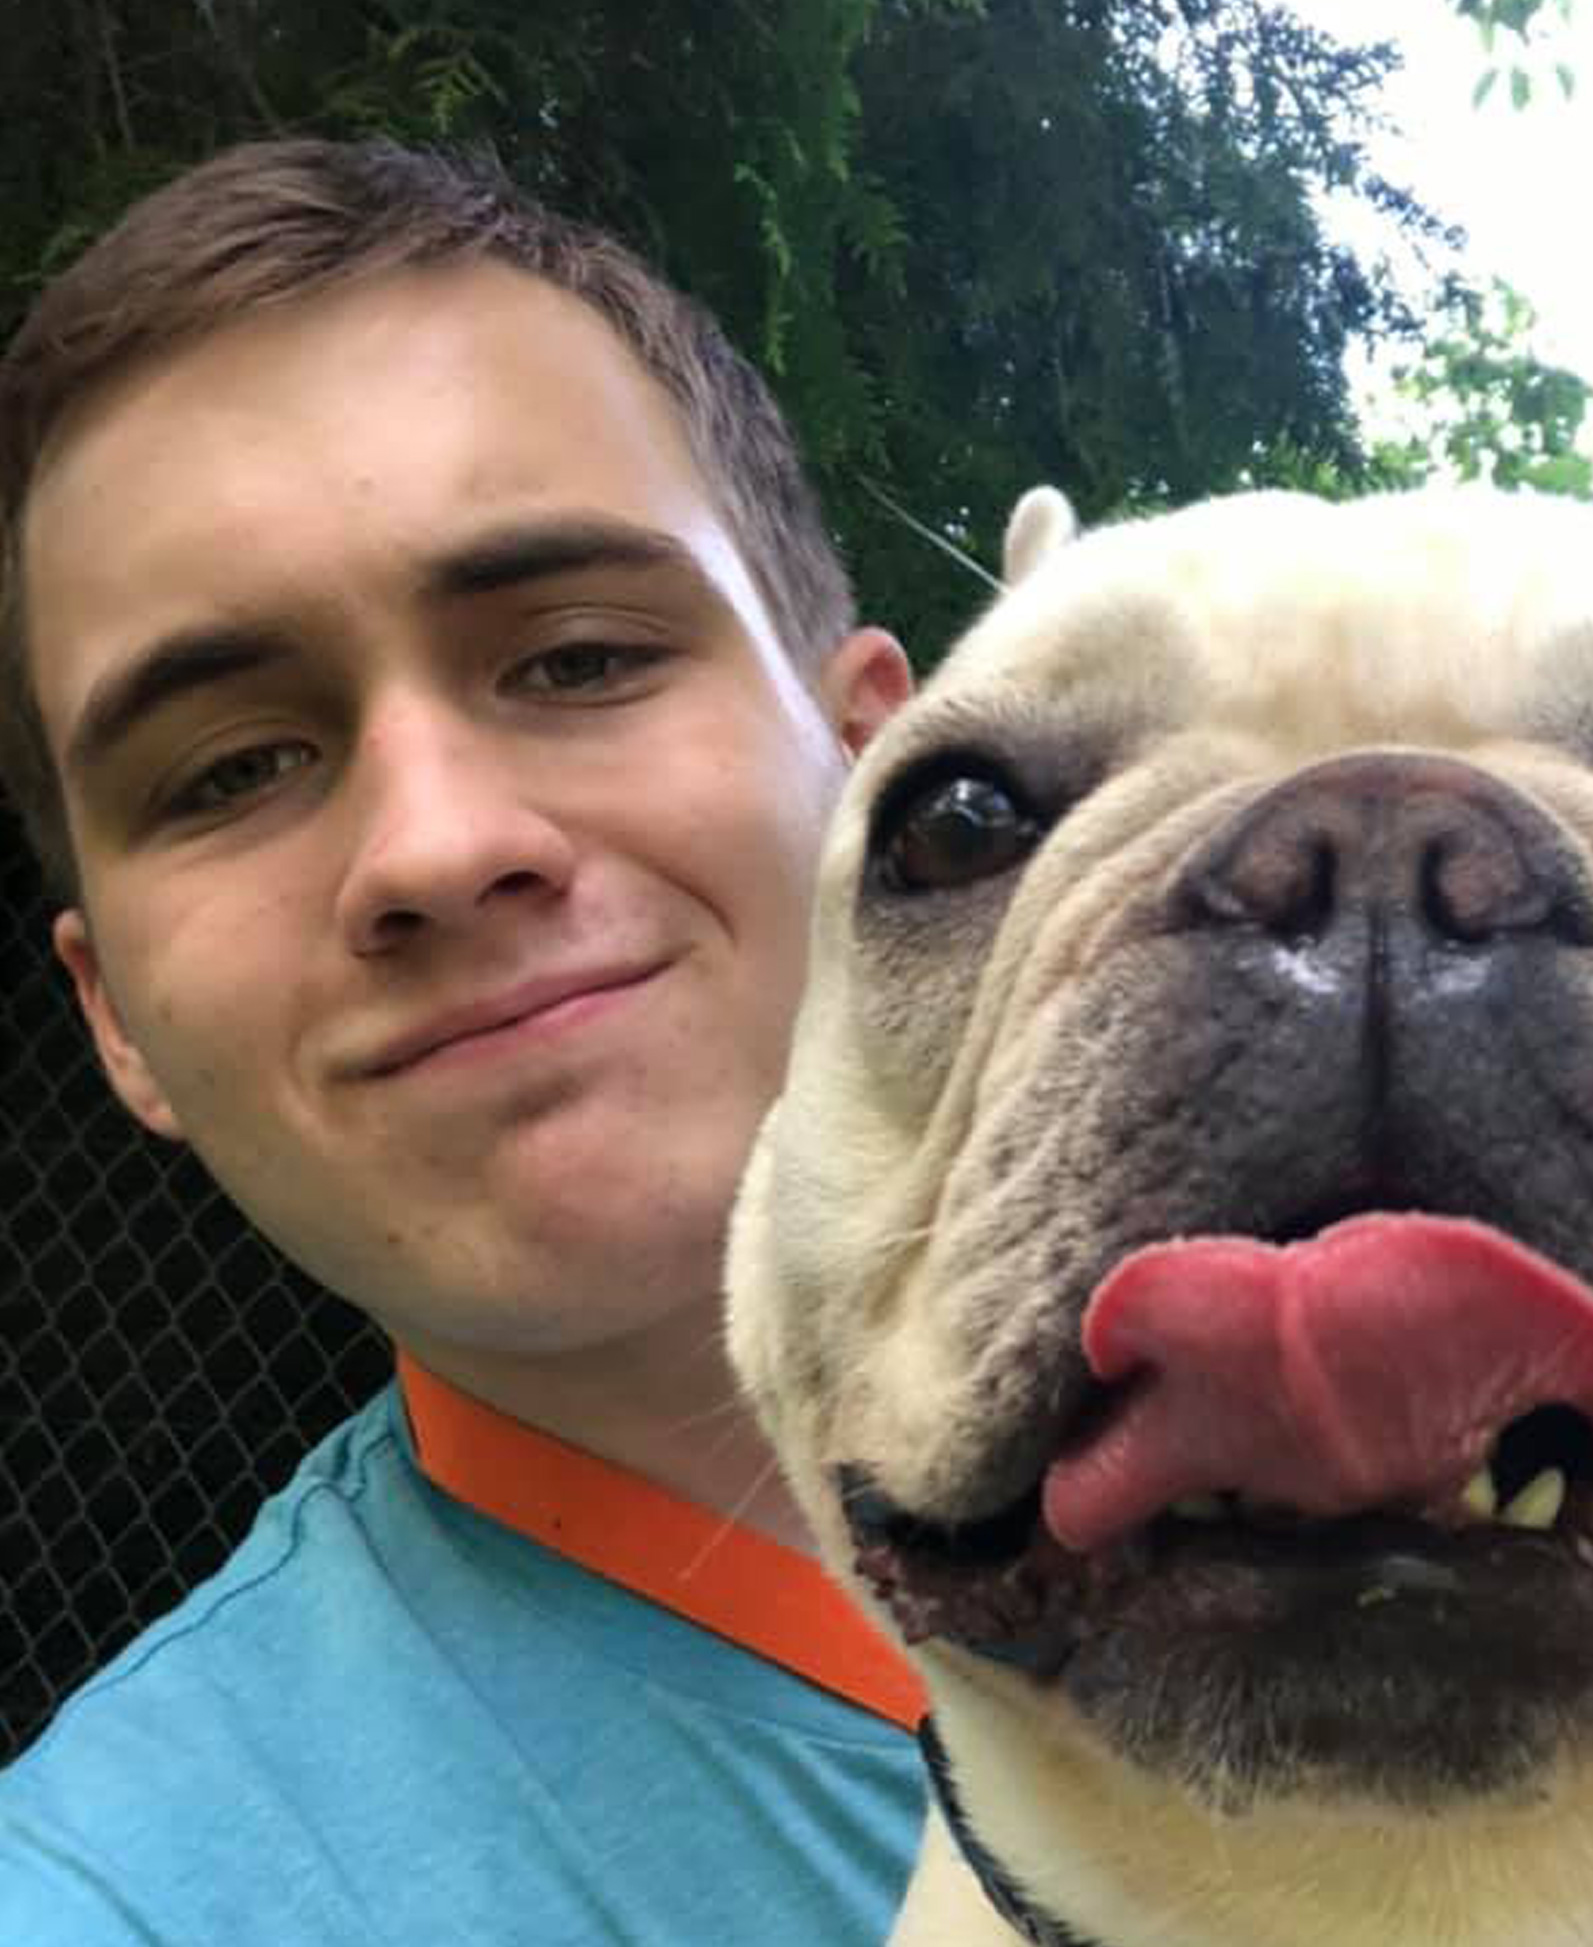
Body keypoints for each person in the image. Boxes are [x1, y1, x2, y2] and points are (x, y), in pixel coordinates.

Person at [0, 138, 926, 1943]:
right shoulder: (115, 1898)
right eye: (233, 771)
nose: (432, 845)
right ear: (115, 1018)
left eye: (576, 658)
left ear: (883, 766)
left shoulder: (1518, 1404)